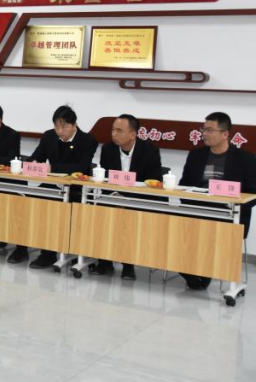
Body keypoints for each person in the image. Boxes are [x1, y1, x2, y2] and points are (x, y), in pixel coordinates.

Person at [13, 105, 98, 269]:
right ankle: (21, 248)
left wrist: (52, 168)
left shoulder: (88, 141)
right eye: (57, 126)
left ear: (74, 125)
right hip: (51, 187)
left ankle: (49, 254)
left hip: (75, 190)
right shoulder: (49, 136)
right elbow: (36, 157)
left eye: (64, 127)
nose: (60, 131)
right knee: (24, 203)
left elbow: (81, 168)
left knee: (52, 210)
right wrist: (31, 164)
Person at [179, 112, 256, 290]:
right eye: (203, 129)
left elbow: (253, 193)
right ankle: (191, 269)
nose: (204, 133)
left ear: (225, 134)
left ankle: (203, 271)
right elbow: (184, 185)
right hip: (198, 210)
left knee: (210, 233)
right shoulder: (196, 155)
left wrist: (235, 204)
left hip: (229, 214)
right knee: (176, 227)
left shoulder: (246, 159)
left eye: (210, 130)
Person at [93, 114, 163, 280]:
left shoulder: (150, 151)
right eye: (113, 130)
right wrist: (116, 196)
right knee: (100, 212)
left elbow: (153, 181)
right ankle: (104, 261)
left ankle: (128, 265)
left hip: (138, 200)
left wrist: (127, 199)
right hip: (113, 197)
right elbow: (105, 179)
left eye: (119, 131)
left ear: (133, 134)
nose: (114, 134)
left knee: (129, 216)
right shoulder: (108, 149)